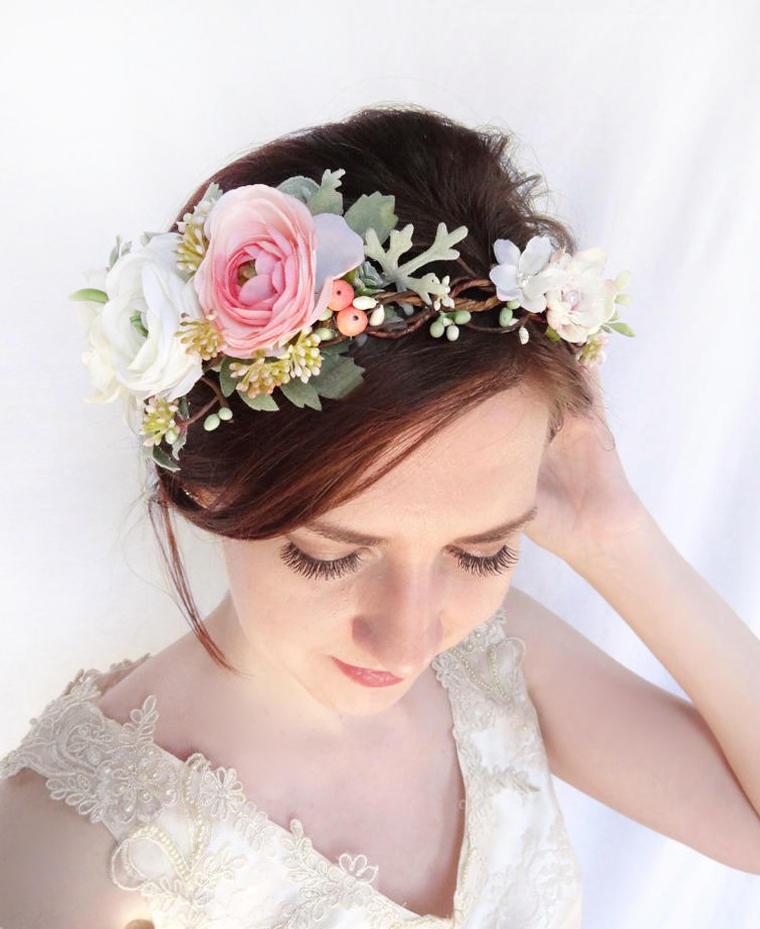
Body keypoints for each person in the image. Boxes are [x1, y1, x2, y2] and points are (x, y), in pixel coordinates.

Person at [2, 104, 759, 929]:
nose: (411, 638)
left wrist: (615, 535)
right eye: (331, 555)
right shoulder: (74, 845)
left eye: (481, 551)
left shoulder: (493, 658)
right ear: (212, 482)